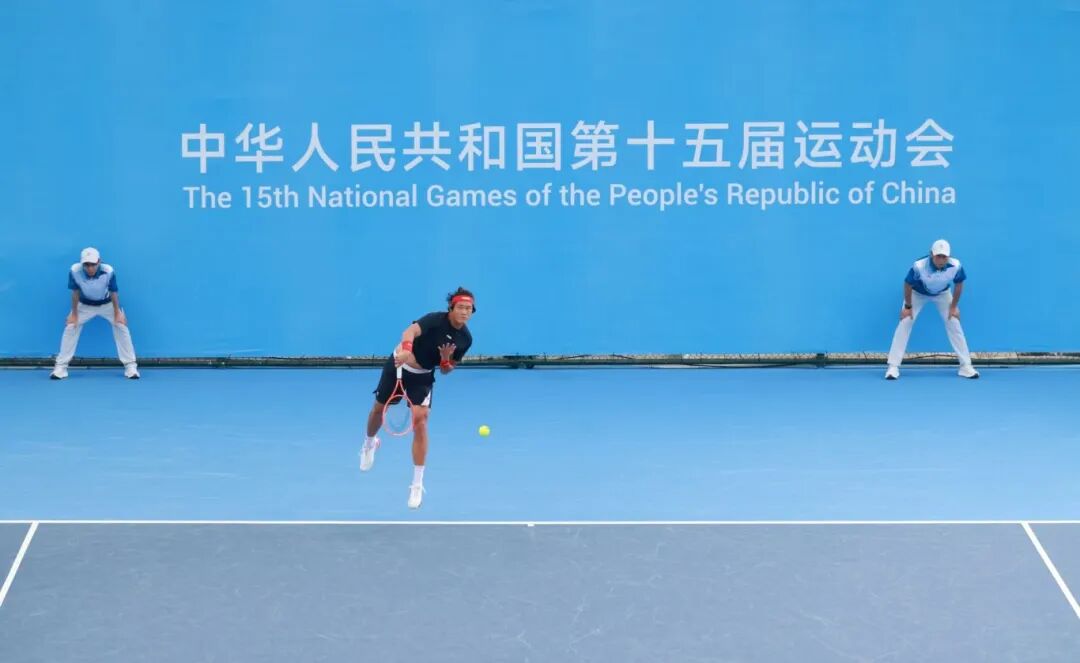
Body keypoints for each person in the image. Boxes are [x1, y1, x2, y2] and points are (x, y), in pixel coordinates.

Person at [360, 287, 475, 508]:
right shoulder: (434, 319)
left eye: (468, 309)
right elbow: (409, 332)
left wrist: (445, 360)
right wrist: (406, 350)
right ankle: (369, 443)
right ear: (451, 308)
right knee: (378, 409)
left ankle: (416, 484)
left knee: (421, 422)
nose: (464, 312)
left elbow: (447, 370)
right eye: (460, 307)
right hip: (399, 366)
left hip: (422, 377)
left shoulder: (465, 339)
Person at [885, 239, 978, 380]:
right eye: (938, 256)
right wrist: (908, 307)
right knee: (905, 322)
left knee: (954, 322)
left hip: (942, 294)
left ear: (949, 256)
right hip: (917, 294)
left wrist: (953, 307)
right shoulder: (919, 266)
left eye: (944, 257)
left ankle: (966, 366)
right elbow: (907, 284)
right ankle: (893, 367)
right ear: (931, 254)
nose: (941, 260)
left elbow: (959, 284)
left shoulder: (956, 265)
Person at [50, 247, 140, 380]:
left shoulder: (108, 271)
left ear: (99, 261)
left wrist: (117, 313)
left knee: (121, 326)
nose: (90, 268)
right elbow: (75, 293)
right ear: (82, 264)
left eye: (93, 264)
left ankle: (130, 366)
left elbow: (114, 292)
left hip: (107, 304)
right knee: (70, 327)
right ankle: (61, 367)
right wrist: (74, 314)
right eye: (86, 264)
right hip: (84, 305)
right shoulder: (75, 270)